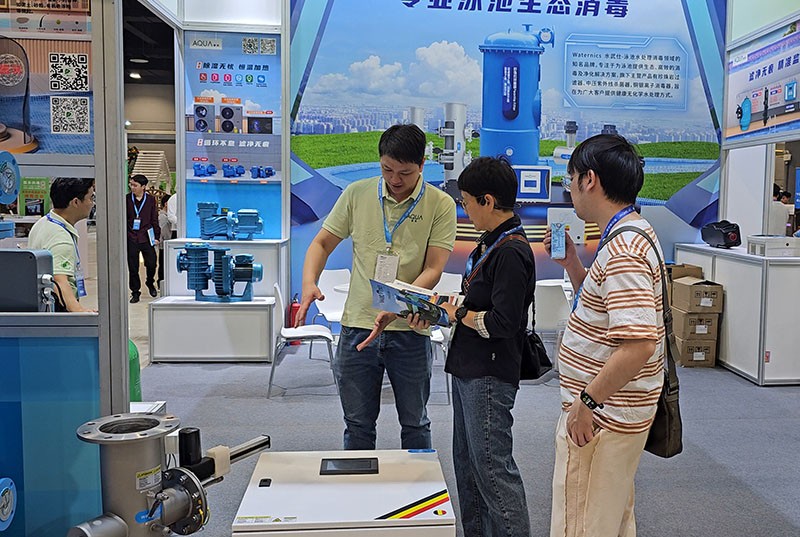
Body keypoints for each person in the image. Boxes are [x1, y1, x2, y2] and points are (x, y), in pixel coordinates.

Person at [295, 124, 457, 450]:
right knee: (357, 425)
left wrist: (397, 306)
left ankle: (417, 482)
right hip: (358, 327)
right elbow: (322, 243)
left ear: (422, 165)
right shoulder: (356, 194)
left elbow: (433, 268)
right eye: (387, 169)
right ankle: (358, 483)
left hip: (409, 330)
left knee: (415, 423)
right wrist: (309, 282)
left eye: (405, 173)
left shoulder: (440, 204)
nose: (395, 179)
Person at [543, 134, 666, 537]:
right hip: (613, 412)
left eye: (571, 178)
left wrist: (587, 402)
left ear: (589, 179)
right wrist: (573, 265)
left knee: (581, 523)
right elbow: (606, 312)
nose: (570, 188)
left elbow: (639, 344)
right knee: (609, 517)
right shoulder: (631, 232)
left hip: (601, 417)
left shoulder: (624, 248)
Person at [438, 157, 535, 537]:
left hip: (490, 374)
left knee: (493, 473)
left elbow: (503, 323)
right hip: (468, 365)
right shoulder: (490, 242)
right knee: (468, 468)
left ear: (488, 201)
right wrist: (444, 309)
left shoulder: (511, 251)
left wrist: (460, 313)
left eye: (467, 202)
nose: (465, 210)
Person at [27, 177, 96, 312]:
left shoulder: (44, 222)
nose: (92, 203)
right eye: (90, 198)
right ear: (75, 202)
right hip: (58, 307)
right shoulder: (60, 238)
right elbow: (59, 281)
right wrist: (79, 311)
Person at [126, 174, 160, 303]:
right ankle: (135, 292)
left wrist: (156, 236)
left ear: (143, 186)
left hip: (147, 237)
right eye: (131, 184)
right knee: (133, 267)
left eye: (135, 185)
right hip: (131, 237)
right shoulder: (127, 199)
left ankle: (150, 282)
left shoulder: (150, 200)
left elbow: (154, 219)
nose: (132, 187)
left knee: (152, 263)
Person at [157, 194, 172, 287]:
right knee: (163, 264)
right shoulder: (163, 217)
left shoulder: (167, 216)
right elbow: (164, 232)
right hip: (164, 244)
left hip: (165, 243)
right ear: (166, 204)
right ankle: (161, 282)